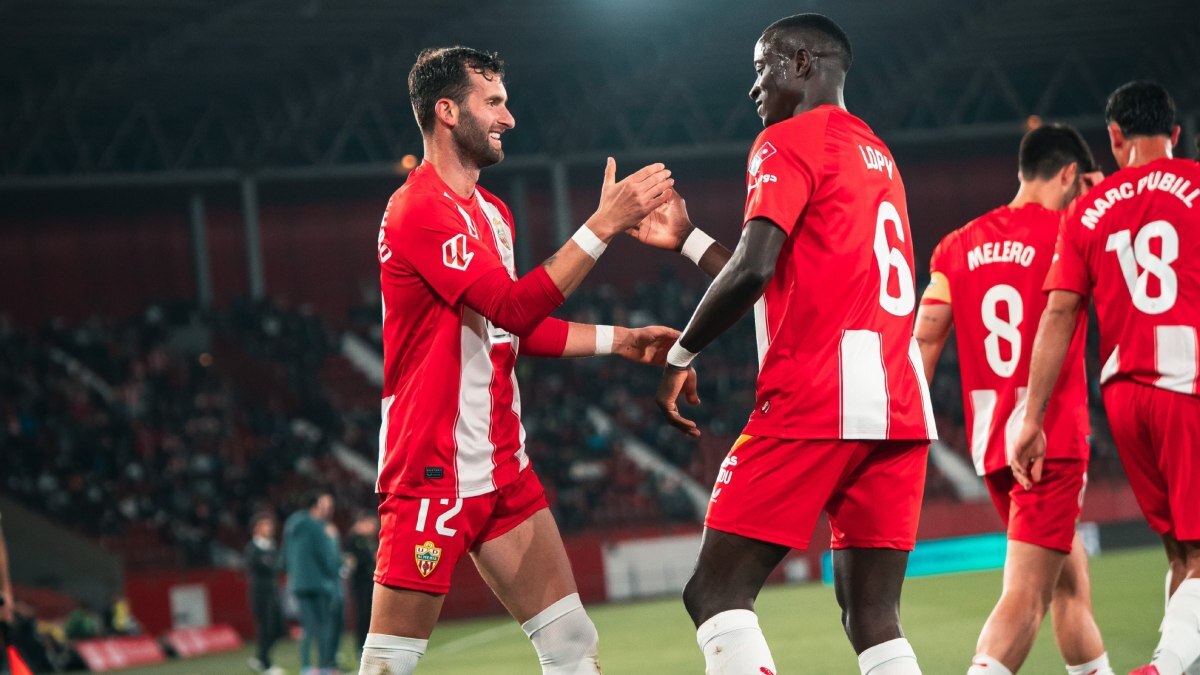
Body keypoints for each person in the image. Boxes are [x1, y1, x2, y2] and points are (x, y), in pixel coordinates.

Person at [363, 46, 679, 674]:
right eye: (494, 102)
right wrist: (602, 226)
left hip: (504, 467)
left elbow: (509, 330)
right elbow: (511, 305)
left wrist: (620, 340)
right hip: (433, 470)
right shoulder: (417, 209)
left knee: (571, 643)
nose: (508, 118)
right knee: (388, 665)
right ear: (447, 111)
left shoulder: (493, 214)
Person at [645, 13, 935, 675]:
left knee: (714, 592)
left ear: (802, 62)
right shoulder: (878, 154)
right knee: (873, 619)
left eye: (762, 68)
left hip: (820, 394)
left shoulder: (787, 140)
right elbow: (788, 278)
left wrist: (678, 355)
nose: (754, 88)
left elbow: (753, 269)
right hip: (899, 403)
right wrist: (689, 239)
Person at [1012, 81, 1200, 675]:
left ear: (1115, 137)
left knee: (1181, 553)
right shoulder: (1196, 185)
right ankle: (1163, 667)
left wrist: (1031, 417)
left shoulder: (1087, 211)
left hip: (1124, 395)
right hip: (1188, 383)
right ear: (1174, 134)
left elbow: (1059, 313)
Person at [914, 125, 1113, 675]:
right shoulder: (1069, 231)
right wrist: (1100, 191)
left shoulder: (957, 245)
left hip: (993, 446)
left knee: (1070, 586)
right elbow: (1124, 232)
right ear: (1070, 174)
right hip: (1048, 439)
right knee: (1026, 597)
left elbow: (924, 341)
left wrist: (903, 431)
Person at [284, 491, 341, 675]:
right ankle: (325, 666)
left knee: (307, 627)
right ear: (316, 506)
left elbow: (285, 556)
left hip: (299, 583)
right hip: (320, 583)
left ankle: (306, 667)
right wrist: (334, 571)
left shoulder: (291, 524)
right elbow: (325, 556)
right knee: (324, 625)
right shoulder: (317, 526)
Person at [245, 513, 285, 675]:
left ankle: (261, 658)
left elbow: (278, 566)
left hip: (273, 592)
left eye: (270, 525)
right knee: (265, 628)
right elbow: (259, 567)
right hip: (260, 593)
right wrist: (271, 565)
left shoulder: (272, 546)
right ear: (256, 528)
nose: (269, 528)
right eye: (265, 525)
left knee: (279, 628)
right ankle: (265, 664)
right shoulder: (252, 548)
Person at [344, 512, 378, 656]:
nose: (373, 528)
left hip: (370, 582)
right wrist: (371, 557)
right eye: (370, 524)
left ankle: (369, 645)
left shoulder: (368, 540)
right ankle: (361, 647)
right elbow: (352, 563)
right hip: (360, 584)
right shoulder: (353, 541)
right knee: (363, 615)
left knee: (371, 615)